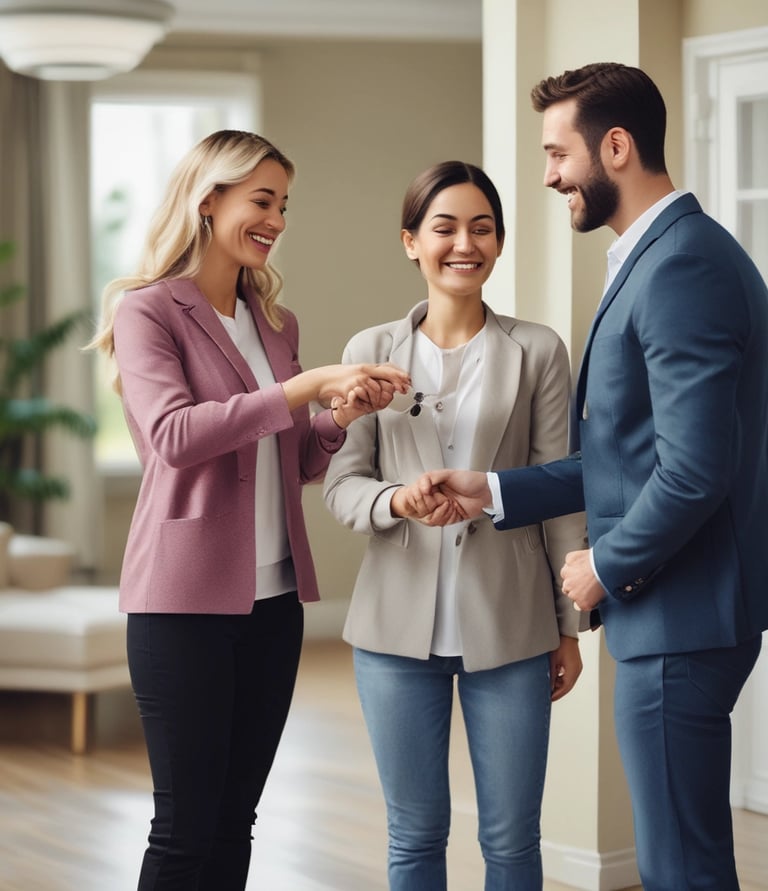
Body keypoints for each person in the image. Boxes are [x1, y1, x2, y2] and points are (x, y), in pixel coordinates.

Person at [415, 63, 768, 891]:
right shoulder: (664, 255)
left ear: (616, 146)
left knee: (680, 865)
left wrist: (603, 565)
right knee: (681, 853)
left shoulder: (681, 265)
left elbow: (692, 471)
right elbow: (628, 455)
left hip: (681, 617)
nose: (547, 176)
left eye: (556, 152)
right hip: (682, 614)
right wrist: (494, 489)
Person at [87, 129, 410, 891]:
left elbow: (292, 458)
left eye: (284, 204)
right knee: (184, 826)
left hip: (272, 604)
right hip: (182, 602)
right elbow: (173, 437)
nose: (277, 218)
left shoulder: (276, 322)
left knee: (238, 818)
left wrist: (338, 416)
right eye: (261, 200)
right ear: (209, 201)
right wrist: (302, 389)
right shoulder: (147, 311)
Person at [322, 160, 587, 891]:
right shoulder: (366, 352)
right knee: (413, 836)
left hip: (513, 627)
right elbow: (341, 485)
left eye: (481, 227)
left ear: (498, 242)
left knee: (510, 841)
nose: (463, 243)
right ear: (411, 241)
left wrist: (569, 626)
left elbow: (559, 490)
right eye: (444, 227)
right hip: (390, 635)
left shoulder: (538, 350)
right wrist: (395, 503)